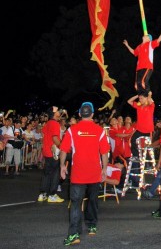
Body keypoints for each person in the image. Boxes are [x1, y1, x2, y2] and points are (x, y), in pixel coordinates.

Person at [60, 102, 110, 246]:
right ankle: (92, 225)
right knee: (93, 200)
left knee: (76, 203)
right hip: (95, 173)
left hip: (78, 174)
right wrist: (104, 169)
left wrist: (63, 166)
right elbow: (104, 152)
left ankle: (74, 234)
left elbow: (64, 150)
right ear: (93, 115)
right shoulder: (99, 130)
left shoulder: (72, 130)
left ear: (80, 114)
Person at [123, 24, 161, 92]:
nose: (145, 34)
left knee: (143, 82)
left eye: (147, 35)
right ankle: (142, 99)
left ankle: (149, 96)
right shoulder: (139, 46)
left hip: (147, 66)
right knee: (136, 85)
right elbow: (134, 52)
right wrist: (127, 45)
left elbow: (158, 40)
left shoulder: (150, 44)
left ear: (149, 39)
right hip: (139, 68)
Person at [37, 106, 64, 203]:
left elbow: (44, 135)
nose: (59, 112)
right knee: (55, 173)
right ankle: (52, 195)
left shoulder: (47, 123)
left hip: (46, 151)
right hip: (53, 152)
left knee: (46, 173)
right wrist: (62, 147)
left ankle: (42, 194)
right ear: (53, 114)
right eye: (57, 111)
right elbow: (55, 138)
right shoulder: (55, 124)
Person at [127, 90, 155, 158]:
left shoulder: (151, 106)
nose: (140, 100)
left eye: (142, 98)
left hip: (148, 131)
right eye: (139, 98)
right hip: (139, 129)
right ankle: (136, 156)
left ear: (146, 98)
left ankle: (148, 164)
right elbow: (129, 101)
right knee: (133, 140)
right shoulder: (138, 106)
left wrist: (149, 95)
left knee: (147, 147)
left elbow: (150, 100)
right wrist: (138, 95)